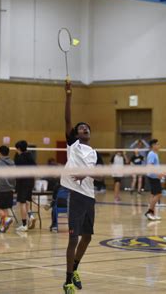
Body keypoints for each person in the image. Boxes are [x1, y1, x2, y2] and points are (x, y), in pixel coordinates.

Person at [60, 79, 99, 294]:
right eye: (80, 128)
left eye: (86, 128)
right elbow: (67, 120)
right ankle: (67, 281)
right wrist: (68, 96)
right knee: (73, 237)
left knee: (88, 237)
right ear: (76, 134)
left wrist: (85, 174)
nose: (83, 129)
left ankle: (74, 268)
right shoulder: (72, 145)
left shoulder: (93, 152)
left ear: (90, 134)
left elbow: (91, 171)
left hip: (89, 196)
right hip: (75, 195)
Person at [14, 140, 36, 232]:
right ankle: (31, 216)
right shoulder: (30, 156)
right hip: (31, 181)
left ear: (19, 148)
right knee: (27, 201)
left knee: (22, 203)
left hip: (22, 182)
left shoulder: (19, 158)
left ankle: (24, 225)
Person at [0, 145, 16, 233]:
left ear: (0, 153)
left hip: (1, 189)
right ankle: (4, 227)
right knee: (5, 208)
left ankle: (6, 219)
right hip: (10, 189)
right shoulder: (12, 163)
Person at [144, 139, 164, 221]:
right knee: (158, 194)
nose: (159, 146)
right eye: (157, 144)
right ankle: (149, 212)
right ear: (153, 146)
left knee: (153, 195)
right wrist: (157, 174)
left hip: (153, 176)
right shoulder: (152, 154)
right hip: (153, 177)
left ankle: (152, 214)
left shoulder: (154, 154)